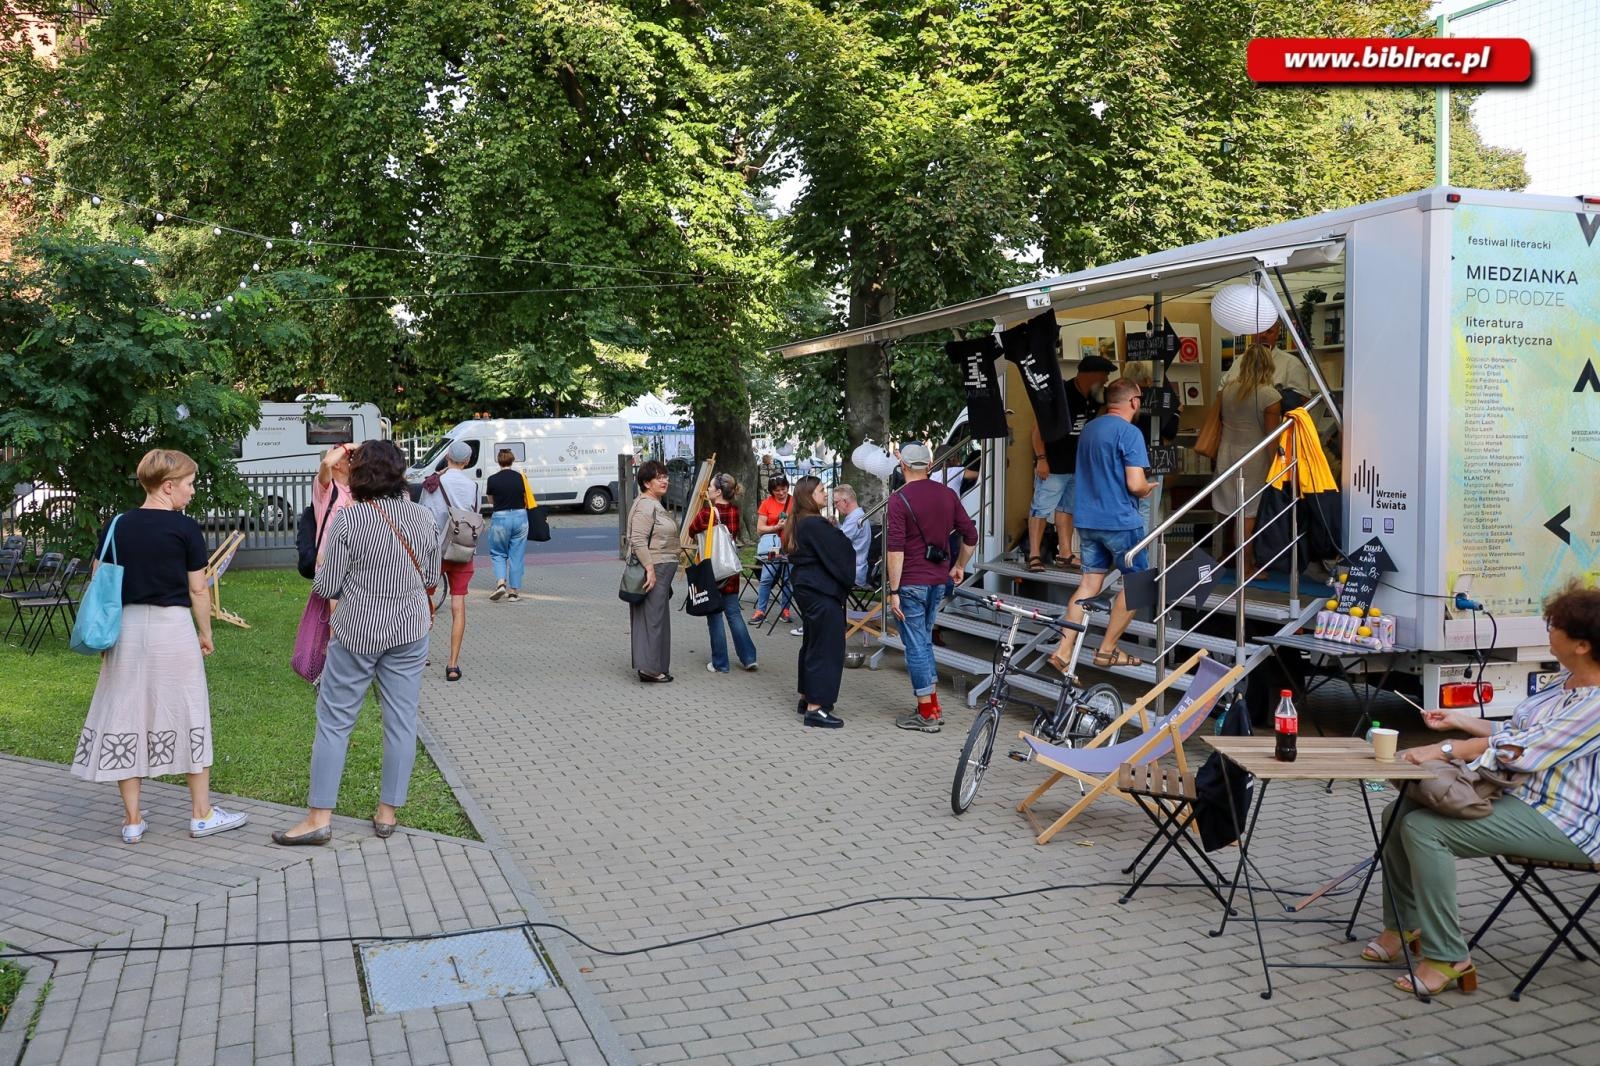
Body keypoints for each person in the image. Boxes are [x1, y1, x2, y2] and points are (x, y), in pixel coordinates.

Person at [1362, 583, 1600, 996]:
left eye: (1554, 626)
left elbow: (1522, 752)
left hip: (1569, 821)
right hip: (1520, 798)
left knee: (1425, 829)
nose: (1548, 631)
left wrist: (1447, 748)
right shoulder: (1567, 680)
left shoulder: (1596, 702)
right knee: (1397, 814)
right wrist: (1458, 720)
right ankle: (1403, 927)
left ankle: (1447, 954)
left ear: (1581, 644)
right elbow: (1515, 731)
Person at [71, 449, 249, 844]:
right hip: (172, 629)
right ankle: (201, 813)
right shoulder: (185, 529)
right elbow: (198, 588)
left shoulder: (117, 524)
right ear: (168, 486)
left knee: (124, 712)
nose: (192, 490)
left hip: (127, 629)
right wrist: (206, 632)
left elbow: (100, 578)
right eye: (189, 483)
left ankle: (132, 819)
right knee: (188, 710)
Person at [273, 441, 442, 846]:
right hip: (410, 630)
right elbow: (432, 576)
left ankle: (319, 818)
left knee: (334, 722)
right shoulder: (423, 518)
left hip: (356, 633)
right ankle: (388, 814)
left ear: (361, 474)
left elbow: (327, 584)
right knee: (401, 722)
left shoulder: (350, 521)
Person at [1046, 379, 1156, 674]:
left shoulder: (1090, 429)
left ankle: (1064, 649)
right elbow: (1135, 483)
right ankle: (1107, 650)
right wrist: (1146, 489)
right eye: (1140, 399)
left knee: (1089, 584)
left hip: (1088, 519)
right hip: (1119, 520)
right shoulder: (1129, 433)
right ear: (1133, 401)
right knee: (1141, 584)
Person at [886, 442, 978, 733]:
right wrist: (959, 565)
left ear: (903, 467)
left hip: (911, 582)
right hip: (938, 580)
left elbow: (896, 551)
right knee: (923, 641)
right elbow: (971, 535)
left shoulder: (898, 499)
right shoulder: (948, 494)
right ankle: (933, 705)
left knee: (915, 646)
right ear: (929, 465)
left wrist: (894, 591)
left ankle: (926, 714)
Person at [1025, 354, 1113, 573]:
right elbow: (1037, 429)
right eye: (1104, 375)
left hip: (1077, 466)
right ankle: (1034, 554)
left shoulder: (1095, 397)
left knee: (1068, 509)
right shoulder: (1060, 394)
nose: (1106, 379)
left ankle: (1064, 553)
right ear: (1091, 375)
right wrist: (1041, 459)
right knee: (1041, 508)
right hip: (1053, 464)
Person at [785, 475, 856, 729]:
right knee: (826, 647)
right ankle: (816, 708)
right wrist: (835, 531)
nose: (825, 494)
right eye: (821, 490)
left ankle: (806, 696)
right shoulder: (815, 524)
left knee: (813, 642)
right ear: (808, 496)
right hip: (820, 590)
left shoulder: (800, 522)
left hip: (807, 588)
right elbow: (842, 550)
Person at [1212, 342, 1282, 576]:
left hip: (1226, 453)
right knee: (1248, 515)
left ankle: (1230, 557)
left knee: (1232, 510)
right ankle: (1246, 566)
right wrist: (1278, 467)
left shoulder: (1229, 389)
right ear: (1268, 365)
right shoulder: (1269, 395)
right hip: (1253, 458)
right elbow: (1271, 438)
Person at [420, 440, 480, 681]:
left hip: (435, 550)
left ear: (446, 456)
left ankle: (420, 654)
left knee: (425, 599)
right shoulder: (473, 486)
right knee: (459, 604)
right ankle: (453, 664)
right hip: (462, 548)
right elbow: (474, 513)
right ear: (466, 462)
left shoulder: (434, 483)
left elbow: (423, 513)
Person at [687, 473, 758, 674]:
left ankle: (721, 662)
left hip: (712, 570)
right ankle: (749, 657)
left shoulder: (706, 514)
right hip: (730, 568)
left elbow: (692, 530)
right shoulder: (735, 511)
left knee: (715, 615)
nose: (707, 490)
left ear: (718, 492)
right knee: (734, 613)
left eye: (710, 487)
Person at [627, 459, 678, 682]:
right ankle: (649, 668)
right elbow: (637, 540)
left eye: (665, 476)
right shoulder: (646, 505)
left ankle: (653, 666)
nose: (665, 480)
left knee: (655, 617)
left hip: (660, 567)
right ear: (647, 483)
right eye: (659, 477)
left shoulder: (654, 503)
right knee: (652, 618)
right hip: (653, 567)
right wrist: (649, 569)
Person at [1119, 360, 1181, 535]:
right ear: (1148, 379)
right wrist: (1176, 413)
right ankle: (1142, 552)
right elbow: (1170, 431)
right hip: (1151, 458)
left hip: (1124, 458)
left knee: (1127, 507)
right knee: (1147, 509)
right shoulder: (1159, 400)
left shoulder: (1122, 400)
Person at [483, 449, 529, 602]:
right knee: (516, 555)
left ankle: (501, 582)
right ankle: (514, 592)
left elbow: (491, 501)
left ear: (498, 461)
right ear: (512, 460)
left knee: (498, 552)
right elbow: (525, 497)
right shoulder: (520, 478)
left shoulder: (492, 479)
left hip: (501, 518)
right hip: (520, 516)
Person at [752, 474, 792, 623]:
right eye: (777, 490)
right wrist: (776, 527)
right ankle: (760, 610)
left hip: (790, 545)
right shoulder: (766, 504)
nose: (781, 493)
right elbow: (759, 529)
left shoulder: (794, 501)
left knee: (788, 579)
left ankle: (785, 610)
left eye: (784, 489)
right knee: (767, 577)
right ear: (771, 490)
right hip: (773, 546)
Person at [832, 483, 871, 587]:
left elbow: (837, 543)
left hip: (852, 573)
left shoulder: (855, 518)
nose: (835, 506)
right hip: (854, 570)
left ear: (845, 502)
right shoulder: (857, 515)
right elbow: (844, 538)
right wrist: (836, 526)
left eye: (836, 503)